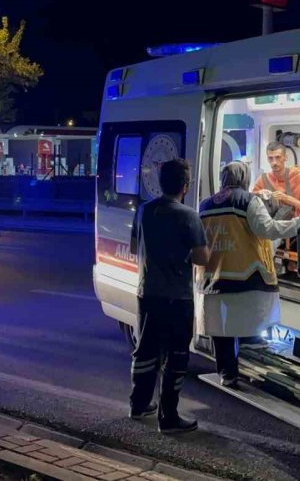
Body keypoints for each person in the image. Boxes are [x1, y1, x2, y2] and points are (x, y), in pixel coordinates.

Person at [198, 162, 300, 386]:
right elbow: (267, 230)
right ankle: (251, 365)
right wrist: (299, 223)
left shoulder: (205, 204)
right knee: (245, 325)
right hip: (244, 276)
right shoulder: (248, 201)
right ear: (244, 178)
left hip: (213, 277)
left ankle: (226, 373)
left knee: (221, 330)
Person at [129, 158, 210, 434]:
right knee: (175, 358)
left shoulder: (144, 211)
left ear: (160, 183)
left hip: (147, 293)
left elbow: (134, 247)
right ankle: (169, 417)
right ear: (184, 187)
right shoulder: (188, 216)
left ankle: (139, 405)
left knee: (145, 352)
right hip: (177, 298)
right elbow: (201, 258)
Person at [252, 141, 300, 216]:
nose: (274, 162)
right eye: (270, 158)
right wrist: (261, 195)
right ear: (267, 159)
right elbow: (252, 205)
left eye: (278, 157)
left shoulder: (299, 177)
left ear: (285, 157)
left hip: (296, 225)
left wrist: (287, 199)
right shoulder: (262, 180)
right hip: (271, 225)